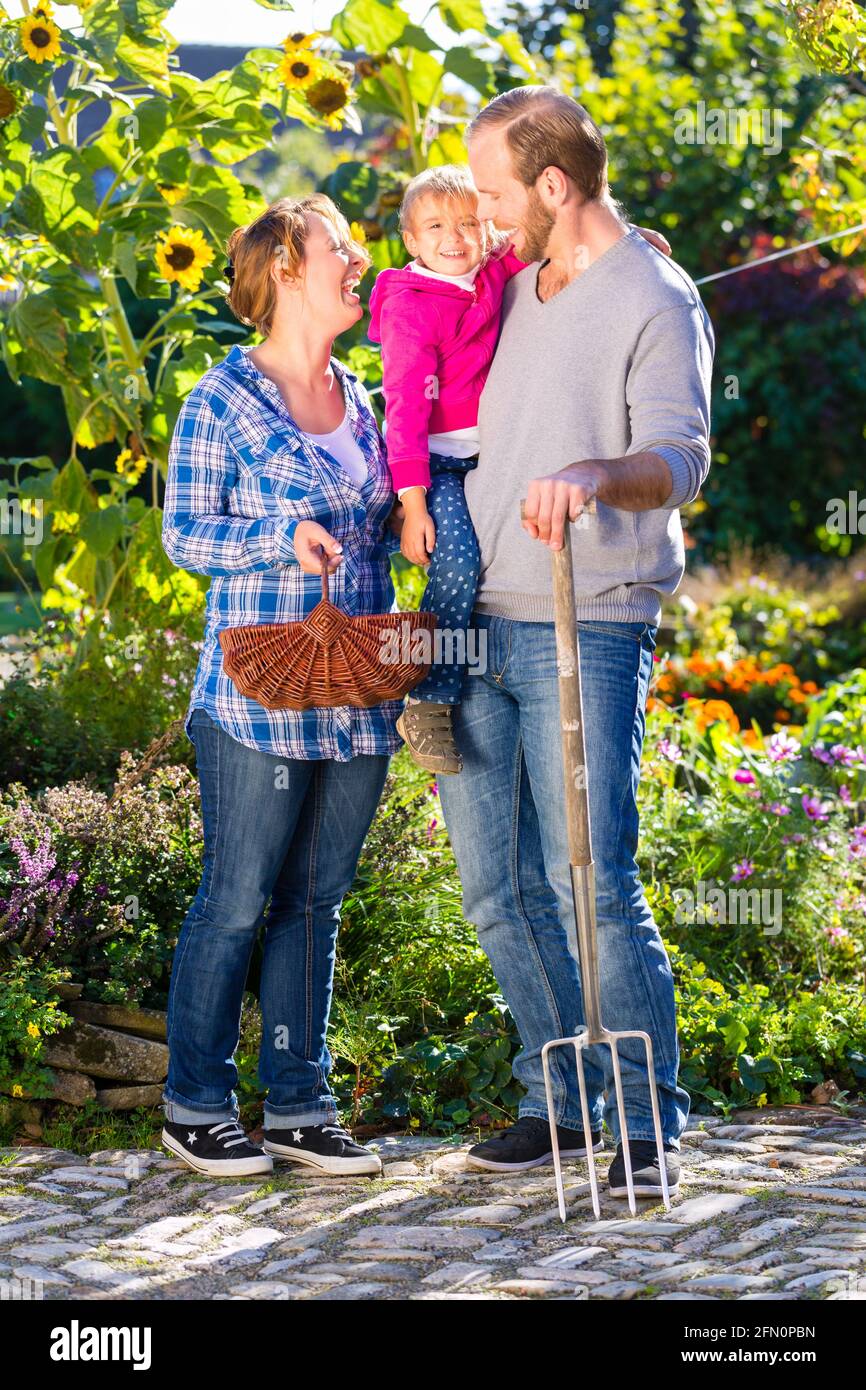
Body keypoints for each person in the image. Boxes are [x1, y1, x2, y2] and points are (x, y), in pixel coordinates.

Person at [435, 86, 714, 1198]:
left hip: (584, 616)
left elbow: (679, 455)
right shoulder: (509, 284)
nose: (483, 213)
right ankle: (557, 1107)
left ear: (552, 187)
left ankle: (645, 1126)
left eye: (498, 194)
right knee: (495, 892)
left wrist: (596, 476)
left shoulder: (656, 296)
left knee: (589, 879)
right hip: (475, 622)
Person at [160, 194, 403, 1179]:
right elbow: (185, 534)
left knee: (317, 899)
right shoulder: (219, 400)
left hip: (357, 696)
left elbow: (382, 526)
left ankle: (299, 1106)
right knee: (237, 896)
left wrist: (410, 530)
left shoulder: (369, 399)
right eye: (339, 248)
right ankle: (194, 1104)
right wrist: (274, 536)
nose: (358, 260)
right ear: (287, 268)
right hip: (255, 695)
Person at [368, 165, 670, 777]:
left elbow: (556, 242)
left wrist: (632, 248)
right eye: (435, 228)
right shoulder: (411, 308)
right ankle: (427, 698)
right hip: (436, 463)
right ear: (410, 241)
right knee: (457, 564)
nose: (454, 238)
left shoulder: (487, 273)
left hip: (489, 456)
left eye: (468, 224)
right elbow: (402, 408)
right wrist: (416, 502)